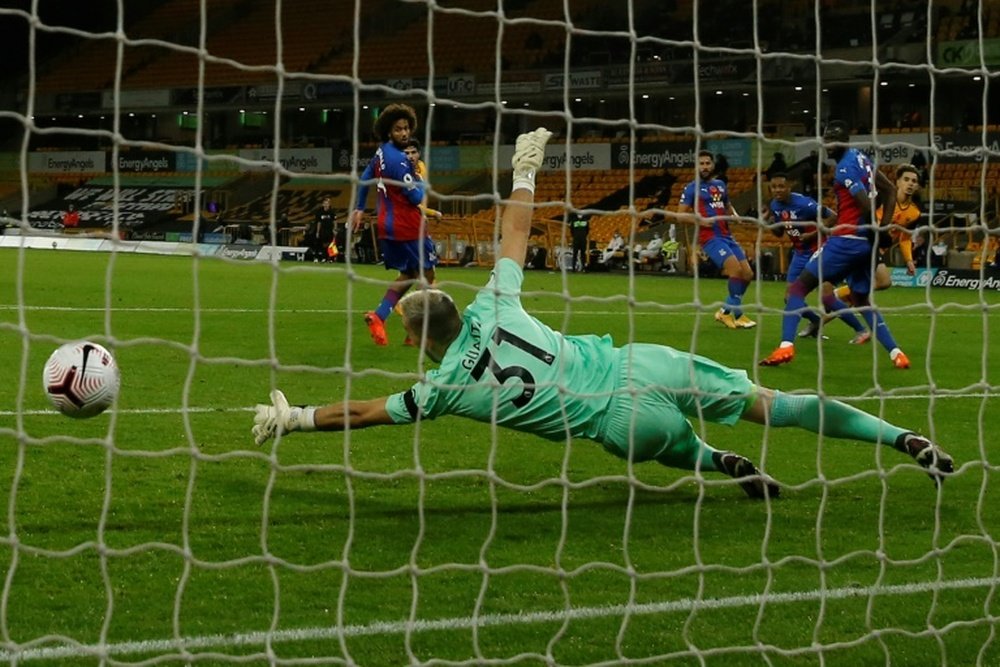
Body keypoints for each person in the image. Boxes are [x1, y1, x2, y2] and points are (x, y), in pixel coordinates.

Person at [253, 128, 954, 498]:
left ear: (415, 341)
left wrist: (294, 417)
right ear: (457, 304)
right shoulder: (495, 302)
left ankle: (714, 461)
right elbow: (517, 233)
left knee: (671, 445)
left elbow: (364, 413)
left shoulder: (441, 390)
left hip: (616, 423)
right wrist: (526, 168)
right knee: (780, 403)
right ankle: (902, 440)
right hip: (637, 362)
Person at [760, 121, 911, 369]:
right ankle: (897, 353)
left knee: (797, 290)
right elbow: (891, 191)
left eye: (833, 139)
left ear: (845, 140)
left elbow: (864, 205)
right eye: (825, 139)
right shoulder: (861, 158)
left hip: (845, 240)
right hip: (866, 243)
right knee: (862, 300)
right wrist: (881, 230)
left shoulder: (844, 168)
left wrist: (878, 227)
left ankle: (785, 347)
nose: (828, 144)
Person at [352, 103, 436, 346]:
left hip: (386, 227)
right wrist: (419, 178)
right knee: (427, 276)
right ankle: (419, 331)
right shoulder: (400, 162)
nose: (404, 133)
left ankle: (379, 316)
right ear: (389, 131)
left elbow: (364, 178)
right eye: (399, 129)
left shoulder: (381, 152)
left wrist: (359, 207)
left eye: (407, 128)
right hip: (408, 226)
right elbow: (416, 198)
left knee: (408, 274)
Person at [764, 172, 868, 342]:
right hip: (799, 253)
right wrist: (769, 223)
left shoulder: (804, 203)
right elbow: (779, 232)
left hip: (819, 250)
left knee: (826, 297)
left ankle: (861, 330)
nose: (777, 190)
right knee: (789, 298)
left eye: (781, 186)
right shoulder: (775, 205)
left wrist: (813, 235)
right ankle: (816, 321)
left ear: (789, 187)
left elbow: (834, 216)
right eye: (774, 187)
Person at [676, 151, 756, 329]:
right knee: (735, 271)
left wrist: (734, 215)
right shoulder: (691, 188)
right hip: (710, 238)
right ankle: (732, 313)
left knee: (748, 274)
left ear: (712, 165)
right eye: (701, 164)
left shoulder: (720, 185)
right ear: (696, 167)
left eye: (707, 163)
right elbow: (680, 215)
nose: (704, 167)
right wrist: (700, 220)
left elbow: (727, 205)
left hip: (727, 235)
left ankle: (728, 311)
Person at [403, 138, 444, 221]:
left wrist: (423, 212)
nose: (410, 156)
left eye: (413, 152)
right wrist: (432, 212)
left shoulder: (421, 166)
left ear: (419, 153)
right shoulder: (400, 173)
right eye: (406, 153)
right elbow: (408, 202)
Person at [307, 196, 336, 262]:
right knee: (321, 244)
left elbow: (334, 221)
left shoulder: (332, 212)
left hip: (329, 230)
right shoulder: (319, 212)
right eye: (325, 203)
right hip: (322, 230)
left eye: (327, 203)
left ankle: (331, 258)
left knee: (330, 244)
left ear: (329, 204)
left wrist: (334, 229)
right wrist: (317, 232)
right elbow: (319, 222)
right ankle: (319, 257)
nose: (326, 205)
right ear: (323, 204)